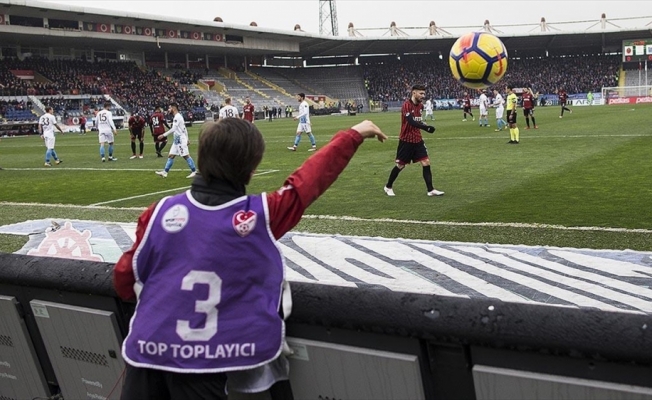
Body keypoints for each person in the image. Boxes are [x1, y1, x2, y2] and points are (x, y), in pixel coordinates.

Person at [114, 118, 387, 399]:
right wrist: (353, 134)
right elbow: (306, 183)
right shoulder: (259, 215)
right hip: (203, 365)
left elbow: (124, 278)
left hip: (145, 354)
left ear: (201, 157)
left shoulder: (158, 211)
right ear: (252, 169)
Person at [383, 84, 443, 197]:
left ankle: (430, 190)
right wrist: (426, 128)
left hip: (418, 140)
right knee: (400, 165)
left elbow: (418, 121)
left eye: (424, 93)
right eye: (421, 93)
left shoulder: (420, 106)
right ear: (414, 93)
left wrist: (425, 125)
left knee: (426, 162)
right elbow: (410, 121)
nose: (423, 96)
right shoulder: (406, 105)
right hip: (406, 140)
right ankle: (388, 186)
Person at [155, 103, 197, 178]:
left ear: (173, 108)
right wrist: (187, 138)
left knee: (186, 156)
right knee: (171, 155)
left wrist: (163, 135)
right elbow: (184, 128)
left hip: (180, 139)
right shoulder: (178, 116)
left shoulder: (177, 117)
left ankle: (194, 171)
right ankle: (165, 172)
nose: (168, 109)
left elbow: (173, 129)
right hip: (177, 140)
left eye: (169, 108)